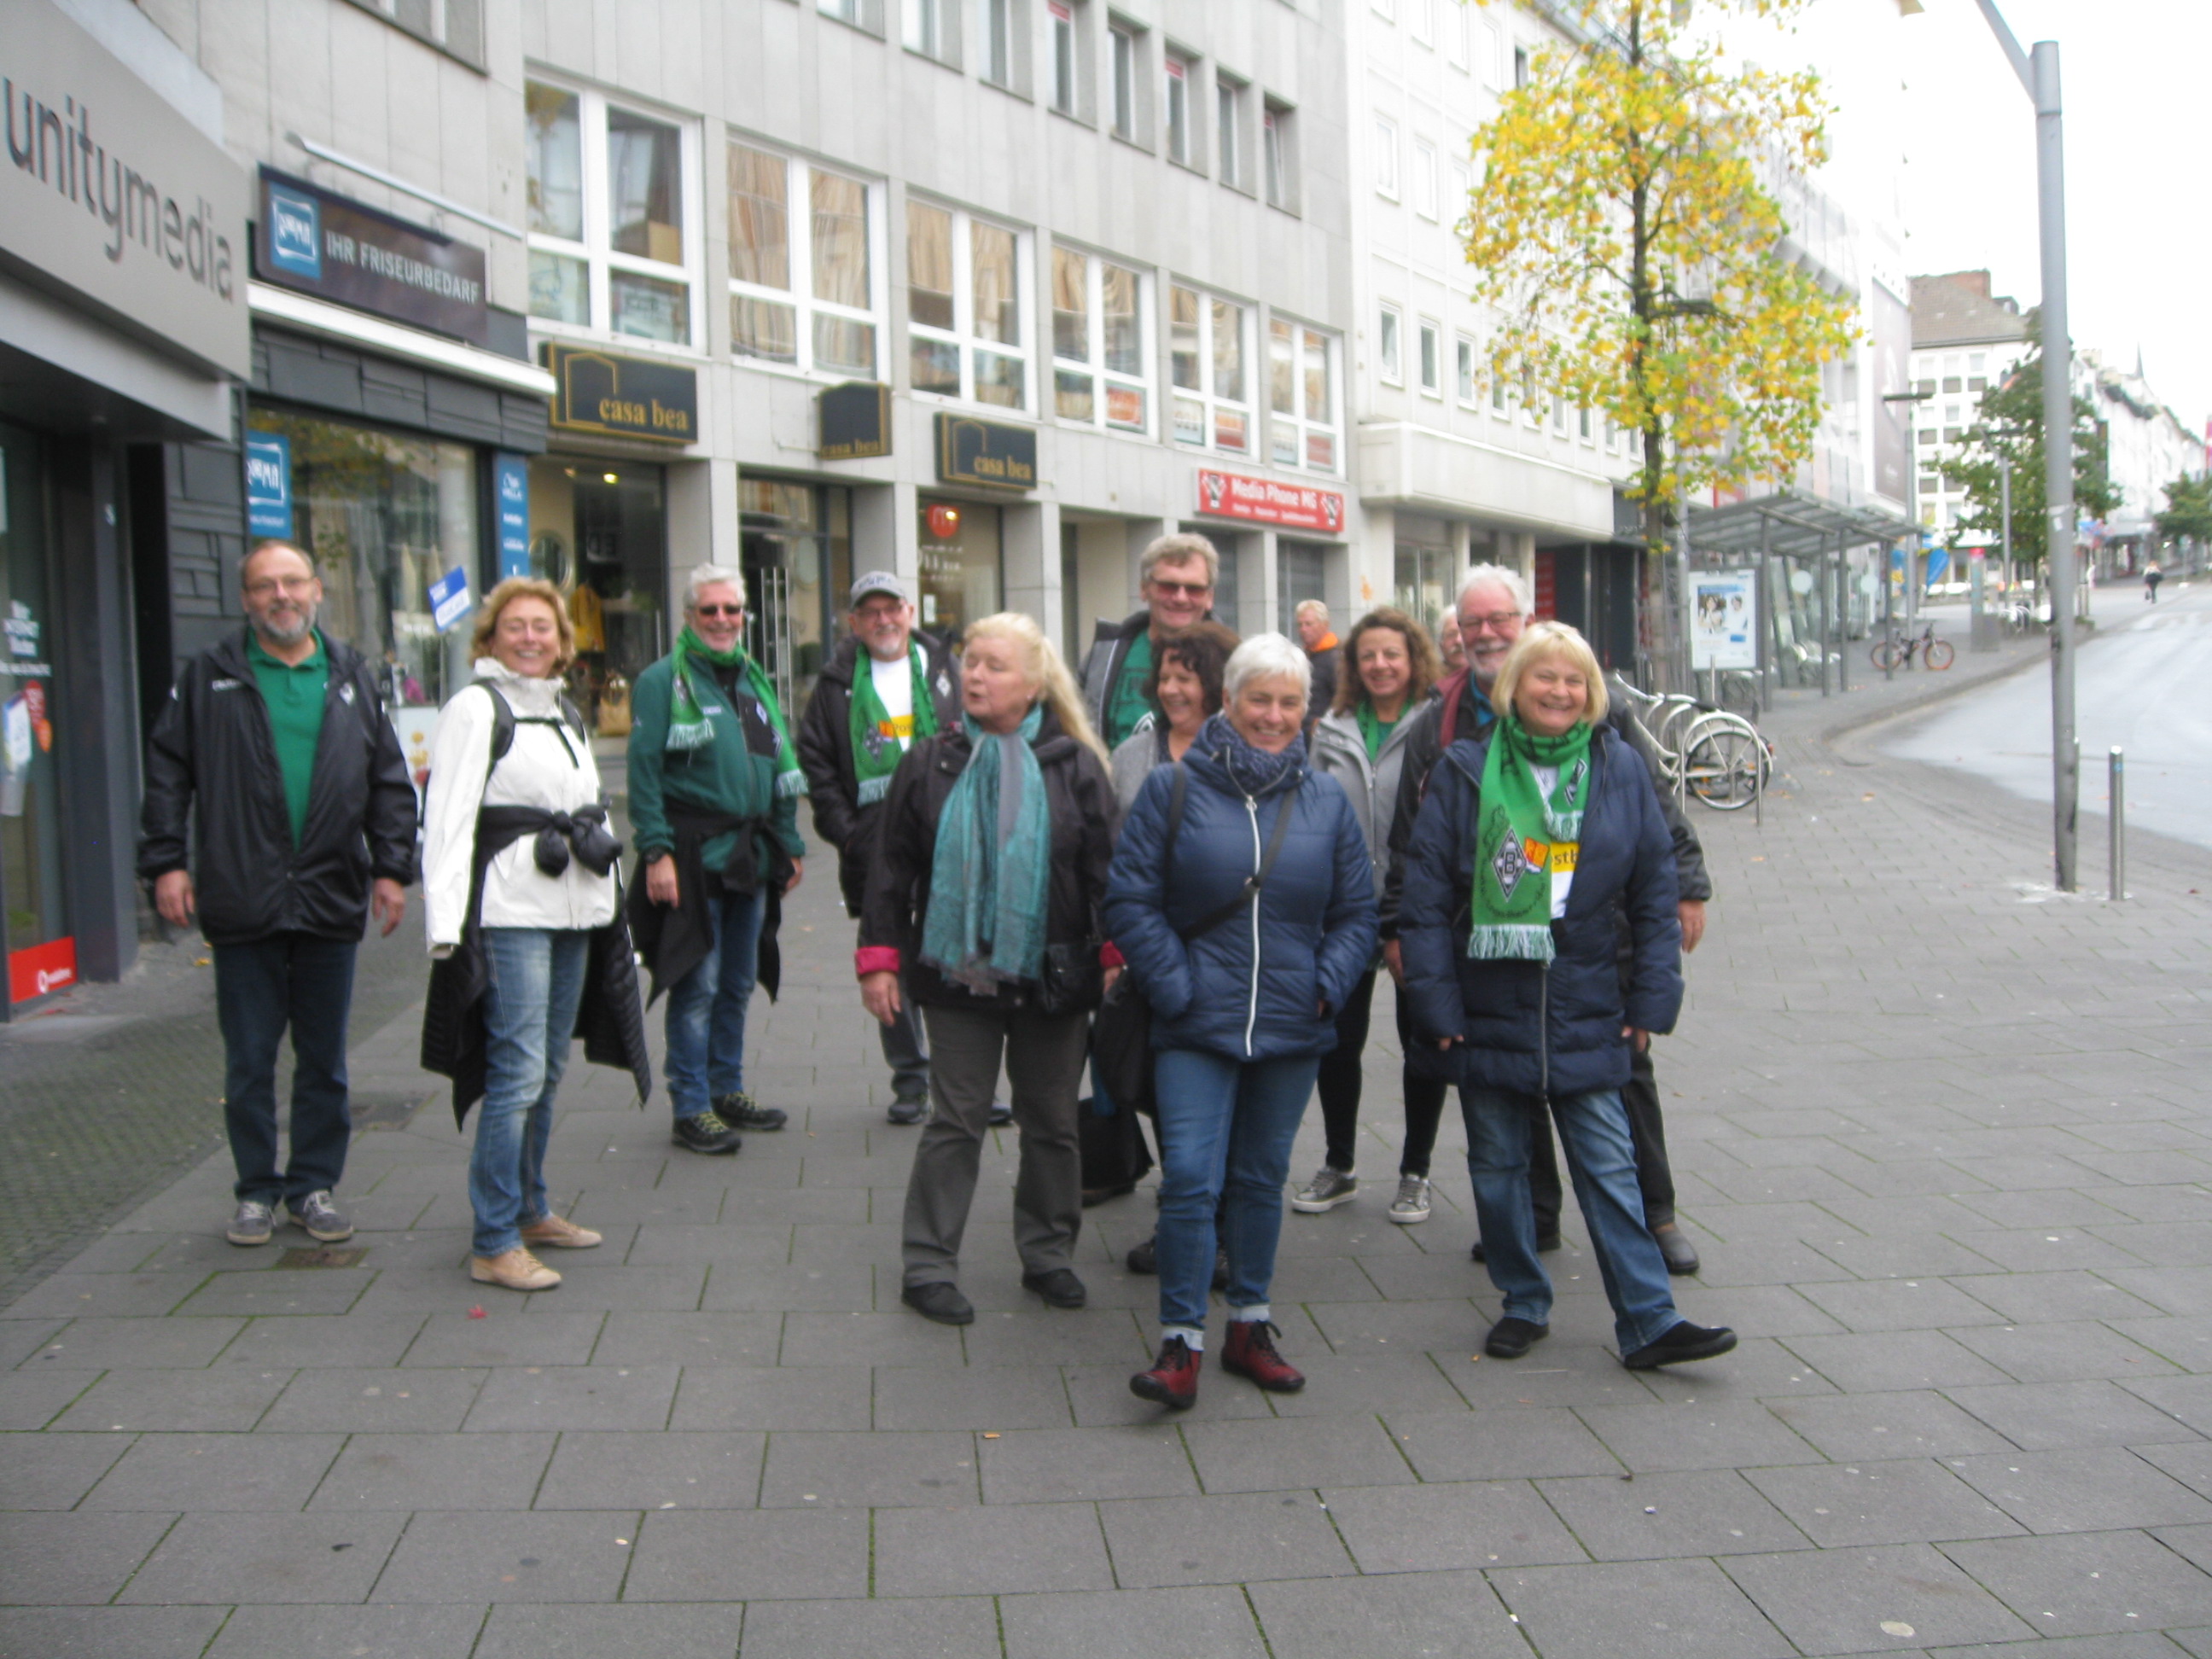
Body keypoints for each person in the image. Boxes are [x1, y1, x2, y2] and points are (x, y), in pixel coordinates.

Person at [1399, 623, 1735, 1371]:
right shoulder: (1465, 769)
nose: (1559, 691)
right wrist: (1436, 1008)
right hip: (1489, 997)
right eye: (1544, 676)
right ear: (1514, 686)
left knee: (1610, 1166)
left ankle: (1649, 1320)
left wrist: (1651, 1002)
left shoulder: (1618, 768)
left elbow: (1654, 892)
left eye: (1574, 680)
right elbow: (1423, 902)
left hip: (1588, 996)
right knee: (1498, 1167)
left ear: (1592, 693)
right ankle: (1523, 1300)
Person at [1105, 635, 1377, 1409]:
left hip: (1292, 1025)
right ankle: (1180, 1342)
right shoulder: (1173, 788)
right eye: (1260, 699)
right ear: (1228, 701)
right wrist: (1176, 986)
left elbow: (1357, 912)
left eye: (1290, 702)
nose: (1274, 715)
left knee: (1260, 1179)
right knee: (1191, 1180)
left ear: (1306, 711)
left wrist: (1325, 984)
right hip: (1194, 1022)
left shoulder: (1326, 800)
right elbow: (1130, 898)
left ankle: (1249, 1327)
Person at [139, 540, 416, 1248]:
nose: (281, 596)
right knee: (249, 1059)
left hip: (329, 892)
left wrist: (391, 869)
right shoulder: (211, 675)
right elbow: (168, 772)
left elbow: (387, 780)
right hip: (243, 894)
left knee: (324, 1059)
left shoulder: (350, 674)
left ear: (317, 590)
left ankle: (313, 1186)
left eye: (292, 582)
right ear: (246, 600)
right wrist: (167, 863)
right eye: (265, 586)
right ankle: (256, 1192)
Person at [859, 614, 1121, 1326]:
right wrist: (879, 961)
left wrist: (1114, 954)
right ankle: (928, 1264)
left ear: (1033, 684)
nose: (975, 675)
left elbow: (1108, 871)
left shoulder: (1074, 764)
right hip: (956, 972)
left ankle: (1049, 1254)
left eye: (994, 666)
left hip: (1053, 976)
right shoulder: (929, 761)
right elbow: (889, 872)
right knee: (957, 1118)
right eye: (971, 662)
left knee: (1053, 1122)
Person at [419, 579, 647, 1292]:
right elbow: (448, 818)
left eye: (542, 627)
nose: (529, 638)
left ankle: (529, 1208)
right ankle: (493, 1240)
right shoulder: (474, 708)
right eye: (514, 626)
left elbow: (591, 814)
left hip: (575, 910)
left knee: (545, 1069)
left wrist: (615, 909)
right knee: (516, 1072)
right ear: (489, 639)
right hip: (512, 911)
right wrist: (444, 926)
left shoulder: (565, 712)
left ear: (562, 642)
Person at [626, 565, 806, 1155]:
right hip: (692, 854)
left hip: (749, 855)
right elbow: (644, 774)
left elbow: (775, 765)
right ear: (689, 617)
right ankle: (691, 1105)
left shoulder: (753, 681)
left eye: (733, 609)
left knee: (737, 980)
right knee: (697, 984)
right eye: (711, 610)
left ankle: (726, 1089)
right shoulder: (662, 681)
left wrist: (789, 843)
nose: (723, 620)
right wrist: (655, 852)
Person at [798, 571, 962, 1126]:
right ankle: (911, 1080)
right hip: (877, 846)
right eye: (871, 612)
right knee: (888, 957)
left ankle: (963, 1079)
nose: (884, 620)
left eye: (892, 609)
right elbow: (816, 763)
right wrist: (849, 833)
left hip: (950, 840)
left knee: (957, 962)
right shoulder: (835, 684)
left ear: (910, 612)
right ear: (854, 623)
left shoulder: (945, 669)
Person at [1303, 608, 1448, 1223]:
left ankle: (1416, 1172)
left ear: (1413, 659)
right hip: (1343, 908)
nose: (1381, 665)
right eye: (1368, 655)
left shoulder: (1436, 722)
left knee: (1422, 1043)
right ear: (1353, 664)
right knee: (1338, 1042)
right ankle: (1339, 1164)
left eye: (1392, 654)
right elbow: (1309, 810)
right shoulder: (1331, 728)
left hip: (1416, 905)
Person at [1103, 620, 1238, 1247]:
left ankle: (1223, 1222)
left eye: (1187, 677)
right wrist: (1113, 948)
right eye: (1165, 677)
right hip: (1150, 951)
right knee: (1163, 1088)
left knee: (1225, 1090)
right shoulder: (1132, 756)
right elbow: (1108, 856)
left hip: (1228, 951)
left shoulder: (1242, 749)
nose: (1173, 690)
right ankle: (1183, 1219)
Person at [1080, 532, 1221, 749]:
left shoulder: (1233, 662)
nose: (1180, 598)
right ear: (1144, 589)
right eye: (1168, 586)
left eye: (1194, 589)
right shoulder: (1103, 656)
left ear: (1209, 597)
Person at [1109, 621, 1242, 812]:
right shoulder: (1128, 756)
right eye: (1164, 679)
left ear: (1217, 684)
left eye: (1183, 679)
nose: (1169, 690)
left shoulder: (1245, 754)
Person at [1294, 598, 1340, 715]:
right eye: (1300, 625)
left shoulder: (1336, 659)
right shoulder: (1300, 657)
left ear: (1325, 625)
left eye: (1308, 624)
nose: (1303, 629)